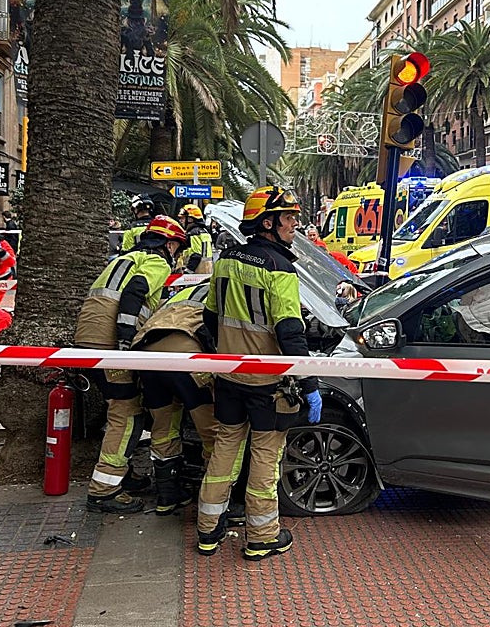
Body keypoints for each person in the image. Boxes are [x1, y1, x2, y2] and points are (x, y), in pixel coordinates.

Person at [196, 185, 322, 559]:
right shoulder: (280, 269)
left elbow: (210, 317)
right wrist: (309, 383)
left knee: (225, 449)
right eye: (288, 218)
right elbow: (290, 332)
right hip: (267, 384)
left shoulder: (226, 259)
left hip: (228, 377)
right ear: (267, 223)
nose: (295, 224)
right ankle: (262, 536)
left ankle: (208, 530)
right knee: (265, 457)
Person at [75, 215, 187, 513]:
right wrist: (126, 341)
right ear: (170, 244)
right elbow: (136, 291)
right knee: (126, 415)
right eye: (178, 248)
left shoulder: (122, 260)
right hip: (110, 343)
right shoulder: (157, 262)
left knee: (119, 406)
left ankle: (123, 476)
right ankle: (104, 490)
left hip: (87, 339)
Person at [130, 282, 228, 517]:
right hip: (187, 356)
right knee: (212, 431)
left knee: (163, 427)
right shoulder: (225, 292)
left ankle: (167, 495)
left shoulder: (185, 291)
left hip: (147, 355)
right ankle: (215, 501)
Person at [178, 204, 214, 274]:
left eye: (182, 218)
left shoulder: (194, 233)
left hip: (196, 271)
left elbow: (196, 255)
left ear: (190, 219)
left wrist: (188, 271)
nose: (181, 221)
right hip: (207, 269)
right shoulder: (204, 231)